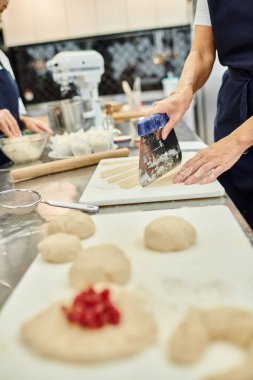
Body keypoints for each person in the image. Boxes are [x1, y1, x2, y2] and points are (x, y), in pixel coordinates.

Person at [149, 0, 253, 229]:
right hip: (235, 106)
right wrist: (183, 91)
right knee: (237, 213)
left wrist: (238, 140)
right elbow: (202, 52)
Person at [0, 0, 51, 165]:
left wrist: (24, 120)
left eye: (2, 11)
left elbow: (9, 109)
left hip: (9, 163)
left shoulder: (1, 57)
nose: (1, 20)